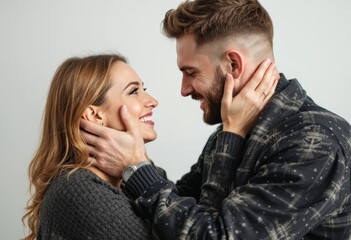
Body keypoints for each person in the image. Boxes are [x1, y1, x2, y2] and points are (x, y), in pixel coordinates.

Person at [81, 1, 351, 239]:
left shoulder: (316, 142)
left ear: (233, 65)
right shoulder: (236, 125)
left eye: (190, 72)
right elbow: (179, 207)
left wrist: (136, 167)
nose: (184, 89)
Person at [22, 54, 160, 240]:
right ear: (94, 115)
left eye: (144, 89)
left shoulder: (123, 183)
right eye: (134, 91)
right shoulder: (78, 189)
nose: (152, 101)